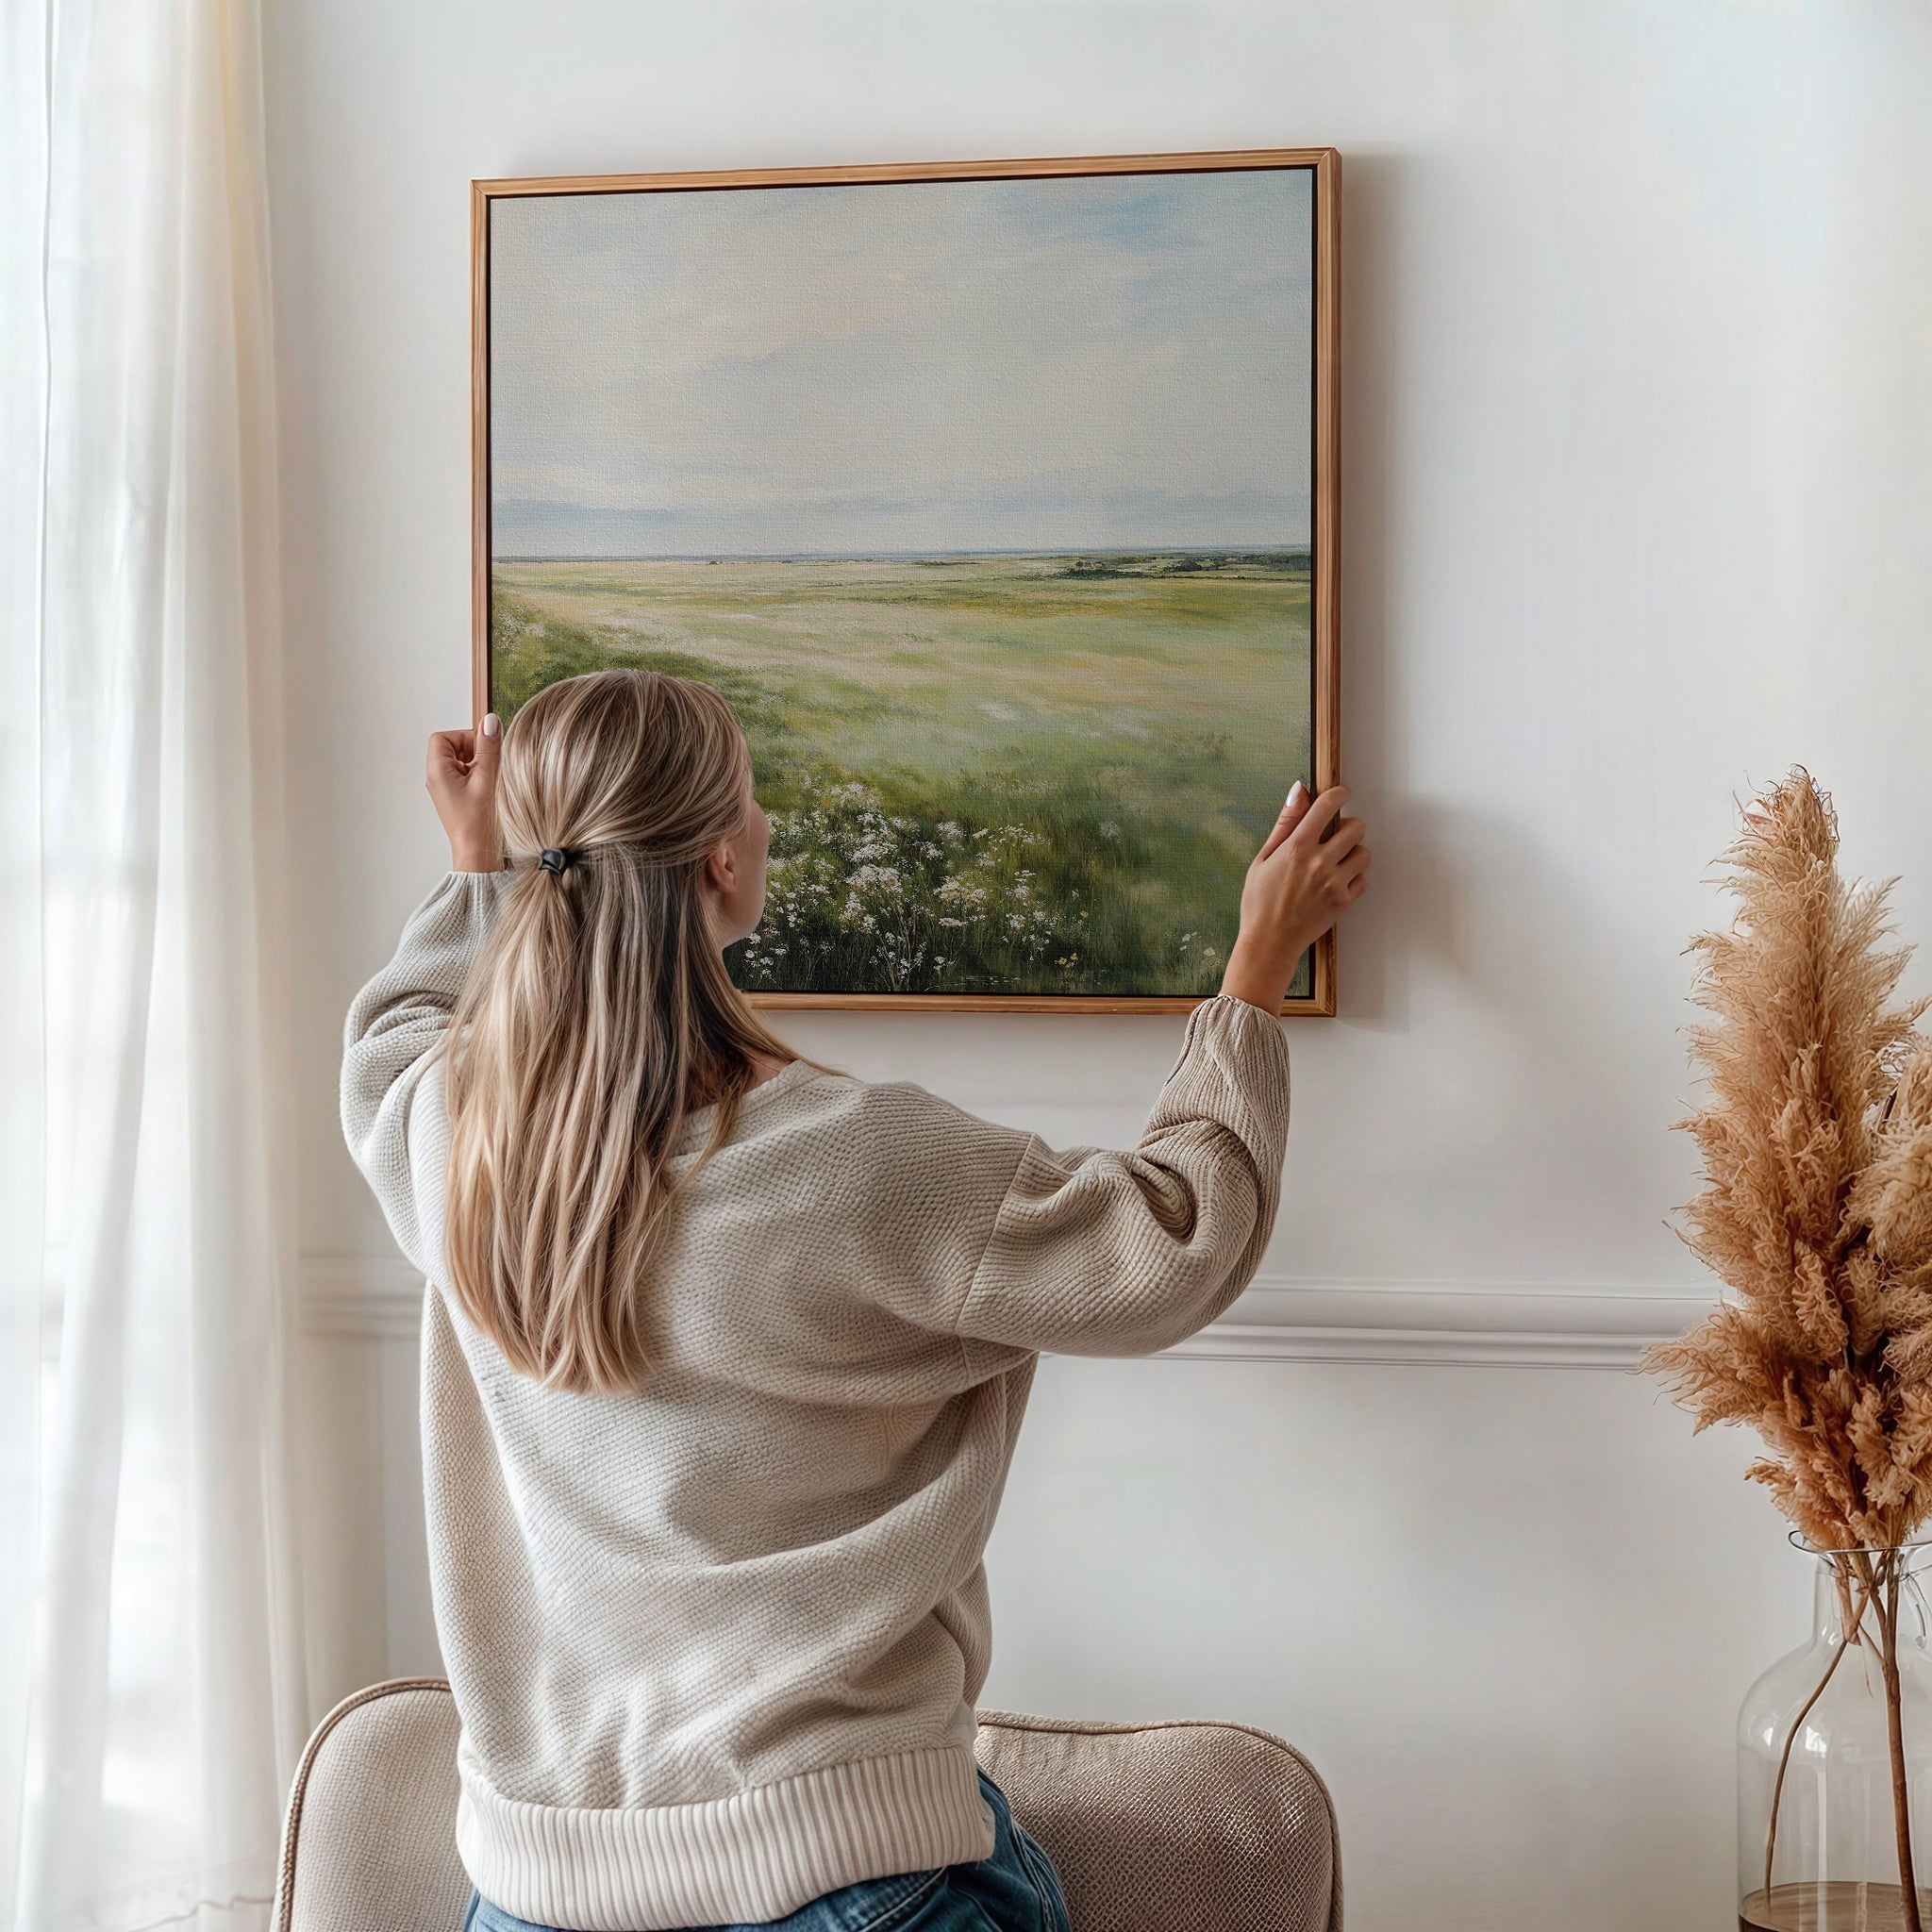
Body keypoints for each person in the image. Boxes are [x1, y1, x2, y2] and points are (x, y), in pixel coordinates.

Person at [341, 668, 1370, 1932]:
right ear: (722, 864)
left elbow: (389, 1039)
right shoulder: (853, 1161)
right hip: (839, 1882)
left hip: (532, 1898)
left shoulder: (455, 1143)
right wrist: (1255, 968)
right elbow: (1171, 1240)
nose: (767, 823)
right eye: (756, 800)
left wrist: (476, 868)